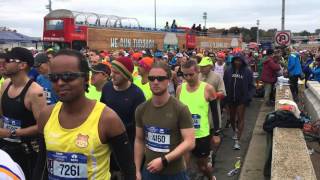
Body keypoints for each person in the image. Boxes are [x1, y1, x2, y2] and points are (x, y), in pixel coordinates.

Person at [37, 49, 136, 180]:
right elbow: (41, 166)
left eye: (68, 76)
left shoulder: (107, 119)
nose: (60, 82)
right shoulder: (46, 115)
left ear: (85, 78)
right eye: (54, 78)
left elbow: (128, 170)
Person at [135, 61, 195, 180]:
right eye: (152, 78)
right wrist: (137, 170)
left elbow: (190, 142)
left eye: (160, 78)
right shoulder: (141, 109)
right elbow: (139, 139)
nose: (155, 82)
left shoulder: (180, 109)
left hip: (175, 173)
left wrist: (164, 160)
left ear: (168, 80)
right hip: (149, 171)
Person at [0, 47, 47, 179]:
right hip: (5, 146)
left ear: (22, 65)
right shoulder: (6, 84)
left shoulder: (35, 92)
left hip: (26, 151)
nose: (4, 63)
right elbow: (3, 116)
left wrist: (12, 133)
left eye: (9, 60)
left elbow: (42, 126)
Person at [100, 56, 145, 179]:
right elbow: (101, 114)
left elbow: (139, 132)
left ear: (126, 75)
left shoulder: (137, 95)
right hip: (106, 151)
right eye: (112, 72)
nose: (112, 76)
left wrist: (136, 165)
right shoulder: (107, 88)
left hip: (127, 150)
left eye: (117, 73)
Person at [176, 60, 217, 180]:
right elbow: (177, 111)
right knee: (183, 167)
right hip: (184, 134)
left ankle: (211, 178)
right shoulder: (180, 89)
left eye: (191, 74)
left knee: (202, 167)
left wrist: (216, 133)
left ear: (198, 72)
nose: (188, 77)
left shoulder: (208, 88)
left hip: (201, 135)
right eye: (185, 75)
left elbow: (215, 112)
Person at [223, 54, 255, 150]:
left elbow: (251, 86)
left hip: (242, 99)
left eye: (239, 61)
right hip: (230, 98)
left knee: (241, 118)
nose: (237, 62)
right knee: (232, 118)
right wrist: (224, 97)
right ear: (233, 61)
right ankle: (235, 131)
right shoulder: (228, 70)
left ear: (243, 61)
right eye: (236, 60)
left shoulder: (247, 72)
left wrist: (248, 97)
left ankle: (238, 140)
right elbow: (224, 84)